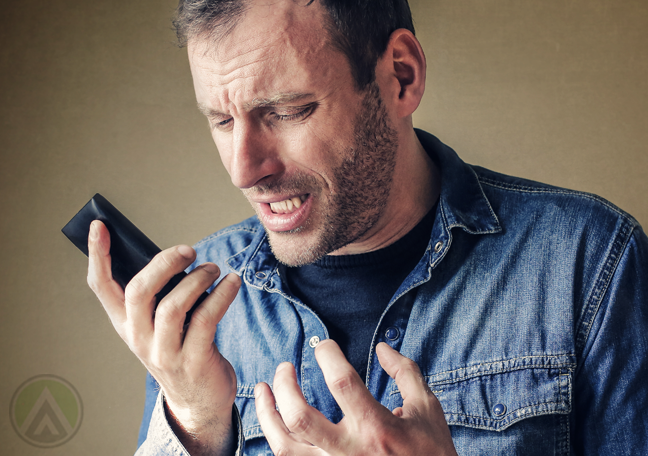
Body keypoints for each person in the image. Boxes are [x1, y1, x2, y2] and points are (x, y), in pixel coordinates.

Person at [86, 0, 648, 454]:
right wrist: (195, 426)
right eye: (223, 120)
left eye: (286, 111)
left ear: (400, 76)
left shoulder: (591, 260)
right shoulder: (202, 310)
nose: (243, 169)